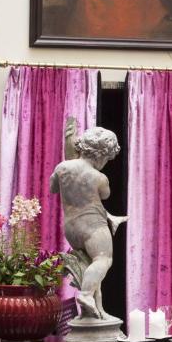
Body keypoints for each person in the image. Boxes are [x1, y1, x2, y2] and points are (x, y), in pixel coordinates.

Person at [49, 120, 127, 320]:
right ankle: (85, 295)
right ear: (100, 154)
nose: (106, 163)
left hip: (71, 228)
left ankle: (97, 310)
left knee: (91, 268)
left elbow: (53, 188)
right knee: (103, 259)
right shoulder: (99, 178)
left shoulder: (62, 168)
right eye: (107, 158)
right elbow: (105, 194)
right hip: (93, 226)